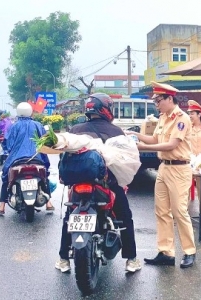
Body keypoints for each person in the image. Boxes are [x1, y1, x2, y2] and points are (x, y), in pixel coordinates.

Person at [55, 93, 141, 273]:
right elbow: (123, 160)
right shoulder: (115, 131)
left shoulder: (75, 129)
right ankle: (131, 259)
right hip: (106, 184)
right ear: (106, 109)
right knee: (124, 217)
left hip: (78, 185)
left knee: (69, 217)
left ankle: (63, 259)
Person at [127, 81, 196, 269]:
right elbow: (155, 139)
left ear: (169, 98)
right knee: (161, 211)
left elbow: (172, 144)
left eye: (158, 100)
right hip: (164, 167)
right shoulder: (163, 117)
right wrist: (135, 135)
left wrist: (143, 147)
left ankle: (189, 251)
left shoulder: (181, 118)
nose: (156, 104)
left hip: (179, 169)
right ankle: (166, 251)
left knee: (179, 211)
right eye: (155, 100)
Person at [0, 102, 54, 215]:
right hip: (37, 157)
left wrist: (9, 149)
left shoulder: (14, 126)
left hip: (16, 158)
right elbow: (45, 141)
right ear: (30, 112)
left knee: (5, 177)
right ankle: (49, 203)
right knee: (45, 175)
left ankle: (2, 206)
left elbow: (8, 144)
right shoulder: (38, 125)